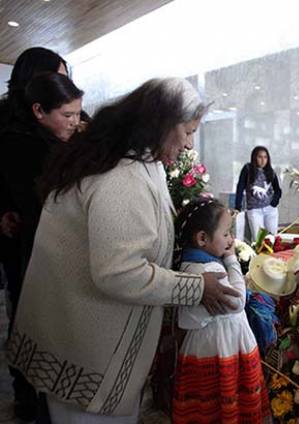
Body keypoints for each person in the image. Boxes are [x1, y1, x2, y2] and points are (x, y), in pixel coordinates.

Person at [7, 77, 241, 423]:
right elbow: (119, 272)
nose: (191, 145)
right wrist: (196, 288)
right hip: (86, 350)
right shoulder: (120, 176)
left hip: (85, 341)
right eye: (188, 132)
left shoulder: (142, 162)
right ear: (161, 124)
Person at [0, 71, 83, 422]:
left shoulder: (63, 139)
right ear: (38, 110)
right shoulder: (24, 147)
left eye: (78, 113)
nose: (76, 122)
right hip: (41, 257)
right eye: (68, 115)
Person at [172, 198, 271, 423]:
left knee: (207, 406)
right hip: (223, 346)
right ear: (202, 239)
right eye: (226, 233)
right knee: (228, 398)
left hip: (202, 346)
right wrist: (232, 260)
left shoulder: (188, 264)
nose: (231, 239)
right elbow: (237, 301)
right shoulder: (211, 269)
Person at [235, 146, 281, 242]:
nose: (263, 160)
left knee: (272, 239)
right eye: (260, 157)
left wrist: (274, 203)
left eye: (265, 157)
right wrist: (237, 207)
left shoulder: (271, 172)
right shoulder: (248, 169)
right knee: (258, 240)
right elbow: (240, 188)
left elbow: (278, 190)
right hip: (255, 210)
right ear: (254, 157)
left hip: (270, 210)